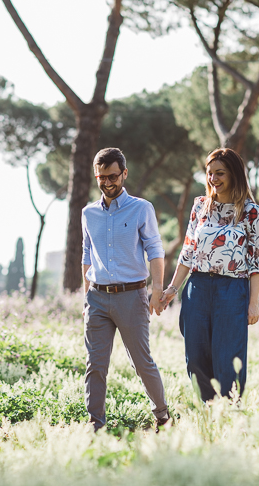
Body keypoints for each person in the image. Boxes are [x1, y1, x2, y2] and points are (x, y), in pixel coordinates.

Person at [159, 148, 259, 401]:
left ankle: (229, 412)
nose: (213, 179)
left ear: (234, 174)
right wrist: (172, 289)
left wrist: (253, 303)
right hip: (197, 289)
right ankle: (208, 409)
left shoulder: (251, 211)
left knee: (228, 357)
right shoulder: (200, 207)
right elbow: (187, 251)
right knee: (194, 355)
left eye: (220, 173)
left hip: (232, 291)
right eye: (209, 173)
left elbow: (257, 261)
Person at [82, 147, 170, 431]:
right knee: (95, 365)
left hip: (132, 297)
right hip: (96, 298)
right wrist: (86, 294)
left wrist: (157, 289)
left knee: (142, 363)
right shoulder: (88, 213)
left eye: (112, 176)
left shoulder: (142, 208)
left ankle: (163, 416)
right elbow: (86, 254)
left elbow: (155, 249)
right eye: (101, 178)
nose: (107, 183)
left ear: (124, 174)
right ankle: (96, 425)